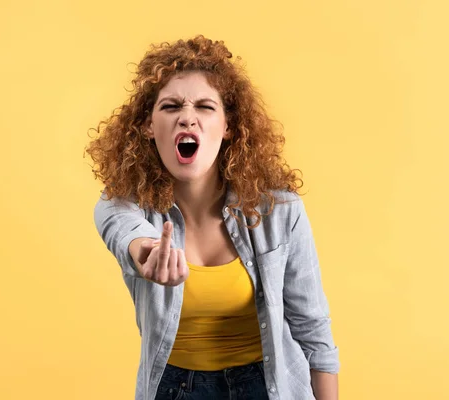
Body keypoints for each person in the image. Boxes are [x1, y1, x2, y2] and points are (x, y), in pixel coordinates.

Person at [86, 35, 339, 400]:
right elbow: (126, 233)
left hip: (269, 387)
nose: (187, 117)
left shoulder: (280, 210)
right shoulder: (122, 205)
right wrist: (145, 252)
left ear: (228, 127)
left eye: (205, 106)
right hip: (174, 389)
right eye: (171, 106)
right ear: (147, 126)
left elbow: (312, 328)